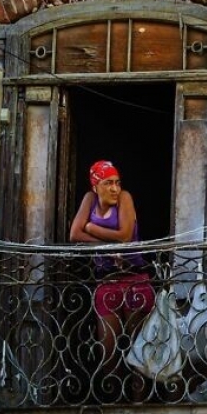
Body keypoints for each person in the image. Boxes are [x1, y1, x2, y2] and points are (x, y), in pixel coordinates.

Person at [69, 160, 154, 401]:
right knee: (108, 352)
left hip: (135, 279)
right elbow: (74, 233)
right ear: (96, 186)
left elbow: (125, 236)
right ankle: (113, 402)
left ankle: (139, 404)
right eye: (108, 183)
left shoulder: (125, 198)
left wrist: (90, 227)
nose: (115, 188)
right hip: (106, 282)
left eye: (117, 182)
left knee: (138, 350)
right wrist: (107, 248)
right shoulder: (89, 200)